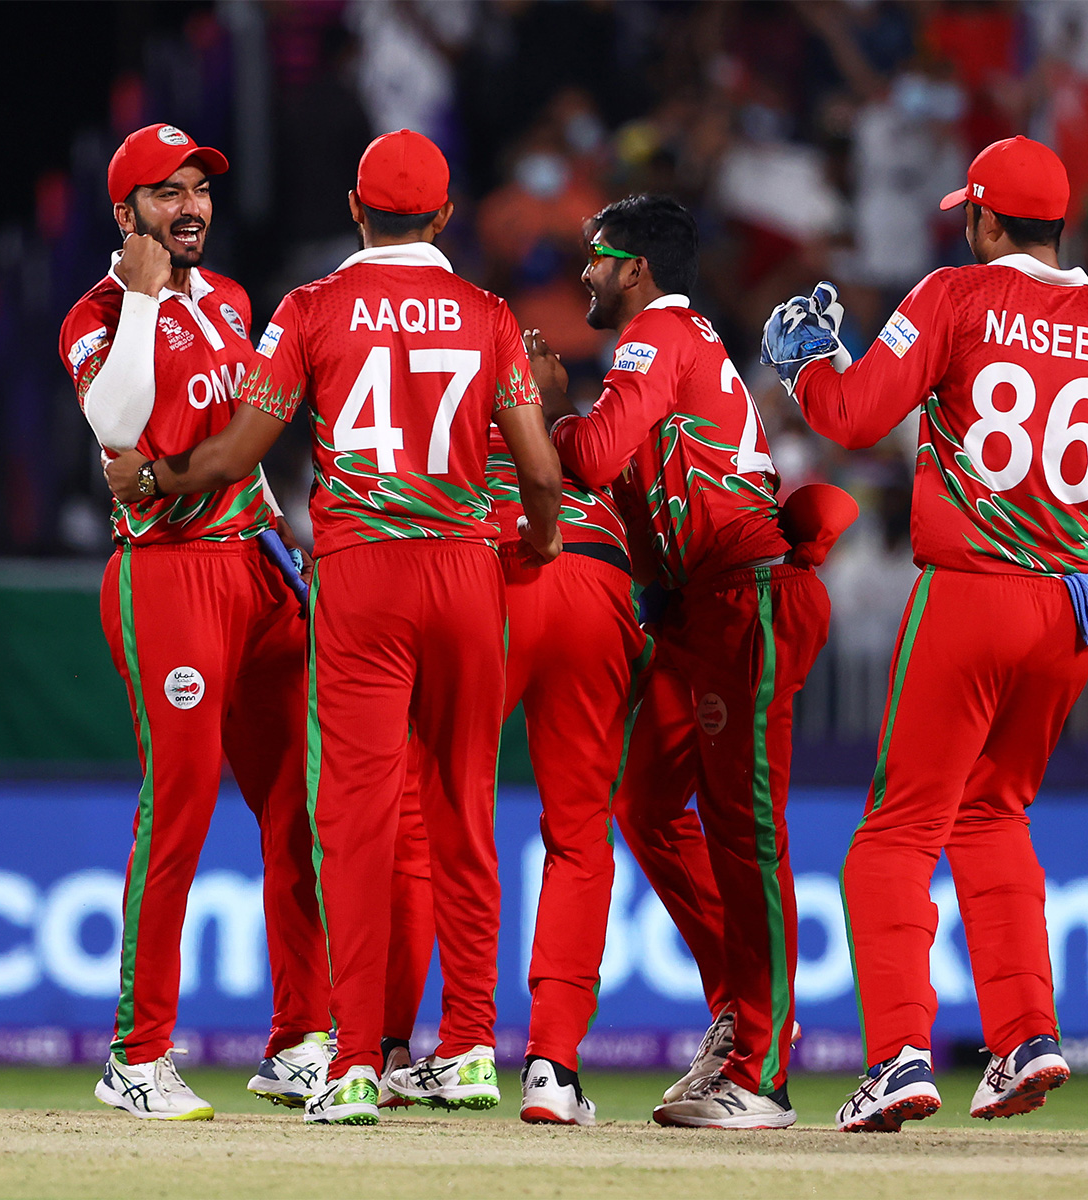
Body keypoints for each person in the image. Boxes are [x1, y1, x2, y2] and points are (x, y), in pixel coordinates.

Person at [105, 129, 563, 1128]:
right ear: (445, 218)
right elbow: (536, 468)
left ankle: (353, 1062)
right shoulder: (488, 315)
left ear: (357, 209)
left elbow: (238, 451)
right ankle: (474, 1047)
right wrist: (533, 542)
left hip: (360, 577)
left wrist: (163, 478)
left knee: (351, 821)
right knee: (464, 810)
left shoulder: (309, 307)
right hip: (465, 568)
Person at [761, 135, 1088, 1131]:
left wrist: (811, 366)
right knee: (993, 814)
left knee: (894, 835)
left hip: (972, 591)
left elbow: (858, 419)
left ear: (986, 222)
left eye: (969, 215)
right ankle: (1024, 1037)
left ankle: (901, 1052)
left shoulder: (954, 298)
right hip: (1073, 605)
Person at [540, 194, 837, 1130]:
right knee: (648, 803)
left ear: (634, 268)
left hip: (747, 596)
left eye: (595, 257)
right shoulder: (669, 347)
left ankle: (765, 1070)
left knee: (747, 832)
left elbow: (590, 456)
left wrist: (544, 410)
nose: (583, 273)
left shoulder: (657, 333)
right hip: (700, 611)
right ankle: (735, 1014)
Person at [60, 122, 328, 1121]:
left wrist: (281, 548)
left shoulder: (228, 298)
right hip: (168, 577)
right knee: (180, 803)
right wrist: (136, 299)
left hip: (259, 568)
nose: (192, 207)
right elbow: (119, 424)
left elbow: (242, 437)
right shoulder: (92, 314)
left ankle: (301, 1040)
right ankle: (136, 1056)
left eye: (200, 189)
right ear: (126, 212)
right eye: (167, 193)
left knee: (300, 809)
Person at [381, 418, 648, 1127]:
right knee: (582, 834)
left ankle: (390, 1049)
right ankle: (553, 1071)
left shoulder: (453, 417)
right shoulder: (591, 445)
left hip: (495, 565)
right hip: (603, 578)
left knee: (421, 805)